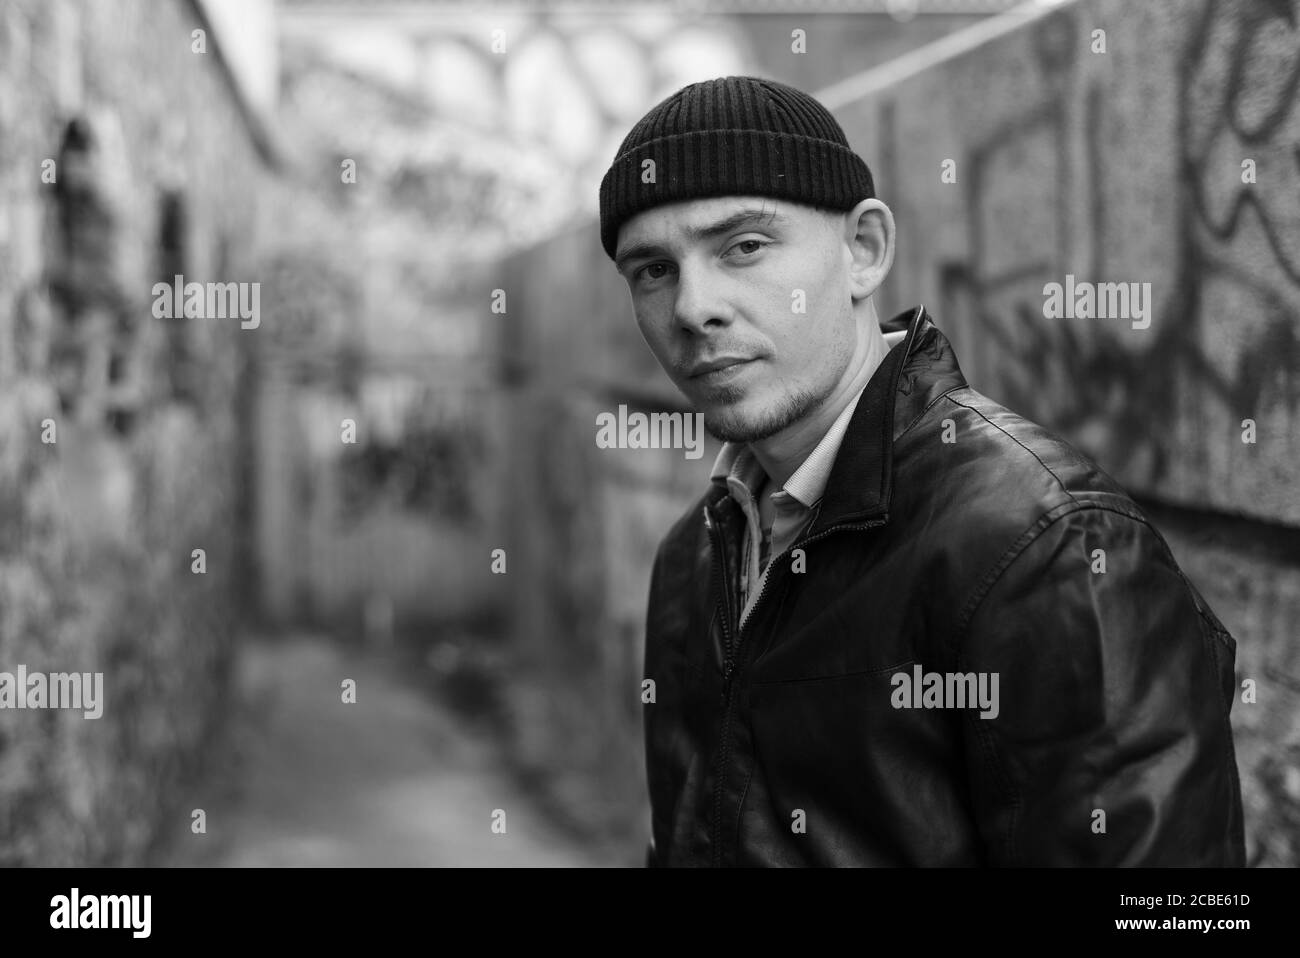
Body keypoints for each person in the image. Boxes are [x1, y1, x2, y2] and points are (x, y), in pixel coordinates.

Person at [597, 75, 1246, 867]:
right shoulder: (694, 556)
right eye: (653, 270)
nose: (693, 307)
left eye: (744, 247)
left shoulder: (1045, 545)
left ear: (864, 250)